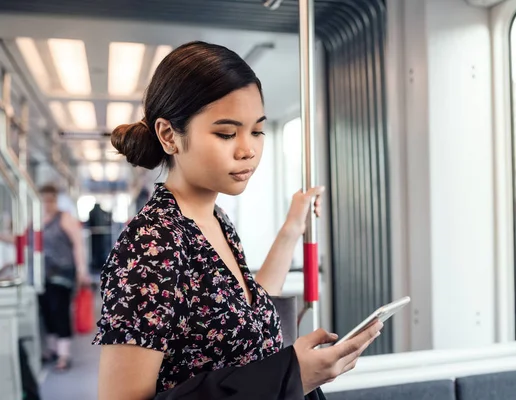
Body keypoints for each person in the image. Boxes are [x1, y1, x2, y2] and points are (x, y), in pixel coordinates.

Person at [93, 41, 382, 400]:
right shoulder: (153, 244)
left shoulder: (215, 219)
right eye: (227, 133)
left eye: (257, 131)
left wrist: (294, 226)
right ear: (169, 135)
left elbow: (244, 309)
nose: (248, 149)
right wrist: (292, 377)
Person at [38, 183, 92, 371]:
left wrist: (81, 271)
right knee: (47, 312)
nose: (47, 204)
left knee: (59, 311)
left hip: (62, 274)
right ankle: (52, 350)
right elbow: (24, 241)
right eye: (44, 200)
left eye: (50, 200)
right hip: (41, 274)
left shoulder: (65, 219)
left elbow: (78, 245)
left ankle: (64, 355)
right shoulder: (38, 221)